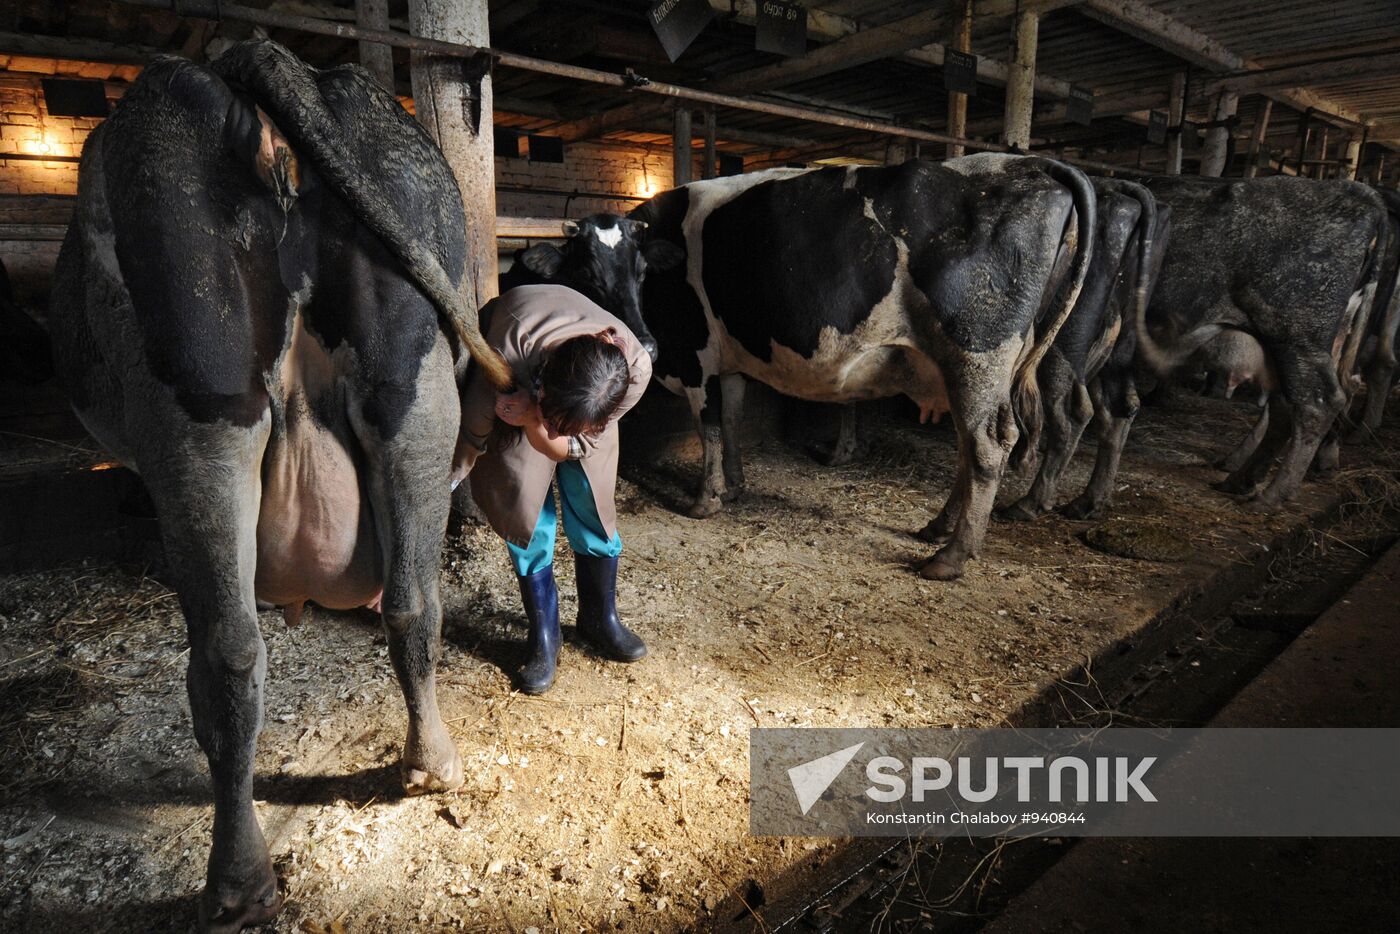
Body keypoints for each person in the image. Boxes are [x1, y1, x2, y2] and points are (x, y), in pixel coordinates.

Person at [453, 283, 653, 694]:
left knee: (592, 501)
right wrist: (457, 470)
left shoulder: (632, 371)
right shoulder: (512, 345)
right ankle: (545, 634)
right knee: (525, 507)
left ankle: (599, 619)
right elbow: (475, 423)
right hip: (514, 384)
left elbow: (578, 446)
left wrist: (549, 425)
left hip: (572, 403)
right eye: (552, 416)